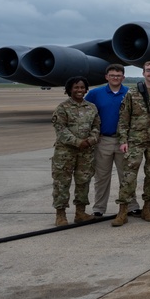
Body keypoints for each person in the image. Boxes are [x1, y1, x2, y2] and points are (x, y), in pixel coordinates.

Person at [115, 61, 150, 226]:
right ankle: (123, 210)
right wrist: (123, 140)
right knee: (129, 176)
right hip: (135, 140)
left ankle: (147, 207)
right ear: (143, 73)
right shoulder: (132, 93)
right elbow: (124, 118)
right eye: (148, 70)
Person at [50, 76, 100, 226]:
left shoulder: (91, 107)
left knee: (83, 182)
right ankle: (60, 214)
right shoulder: (62, 108)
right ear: (69, 90)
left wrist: (91, 140)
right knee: (62, 182)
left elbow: (97, 126)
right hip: (65, 152)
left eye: (82, 87)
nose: (79, 90)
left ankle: (80, 212)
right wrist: (78, 142)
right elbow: (60, 129)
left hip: (86, 152)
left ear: (86, 90)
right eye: (76, 87)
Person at [84, 63, 131, 218]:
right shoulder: (95, 94)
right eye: (112, 75)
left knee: (126, 176)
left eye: (118, 75)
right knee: (102, 177)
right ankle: (99, 208)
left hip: (124, 141)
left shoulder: (130, 93)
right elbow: (85, 112)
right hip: (103, 140)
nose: (115, 78)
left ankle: (130, 206)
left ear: (123, 77)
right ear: (106, 77)